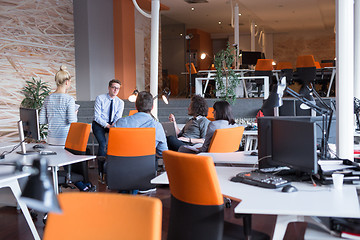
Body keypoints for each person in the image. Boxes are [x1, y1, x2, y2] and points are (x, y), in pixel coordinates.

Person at [114, 91, 168, 158]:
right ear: (152, 107)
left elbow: (109, 147)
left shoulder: (120, 123)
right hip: (146, 167)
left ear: (136, 106)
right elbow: (163, 153)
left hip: (118, 165)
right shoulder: (157, 126)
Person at [40, 65, 77, 145]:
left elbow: (42, 120)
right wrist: (74, 114)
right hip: (65, 139)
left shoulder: (47, 98)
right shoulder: (69, 99)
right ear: (67, 82)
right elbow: (72, 121)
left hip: (50, 139)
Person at [92, 79, 124, 157]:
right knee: (103, 143)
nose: (116, 90)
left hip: (112, 124)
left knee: (117, 143)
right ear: (109, 88)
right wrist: (107, 126)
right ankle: (101, 168)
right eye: (114, 87)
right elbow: (97, 117)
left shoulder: (120, 102)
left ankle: (112, 165)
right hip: (99, 124)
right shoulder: (100, 98)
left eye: (118, 88)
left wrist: (113, 125)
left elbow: (118, 117)